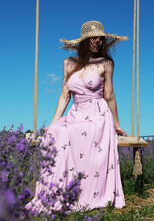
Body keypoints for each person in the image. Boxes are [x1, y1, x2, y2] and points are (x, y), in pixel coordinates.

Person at [25, 20, 128, 214]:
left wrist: (116, 124)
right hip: (76, 112)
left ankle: (85, 193)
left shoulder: (106, 63)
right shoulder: (69, 63)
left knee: (72, 133)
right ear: (84, 40)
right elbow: (65, 96)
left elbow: (109, 95)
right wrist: (53, 123)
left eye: (100, 38)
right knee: (57, 132)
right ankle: (59, 192)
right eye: (92, 38)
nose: (97, 41)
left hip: (97, 114)